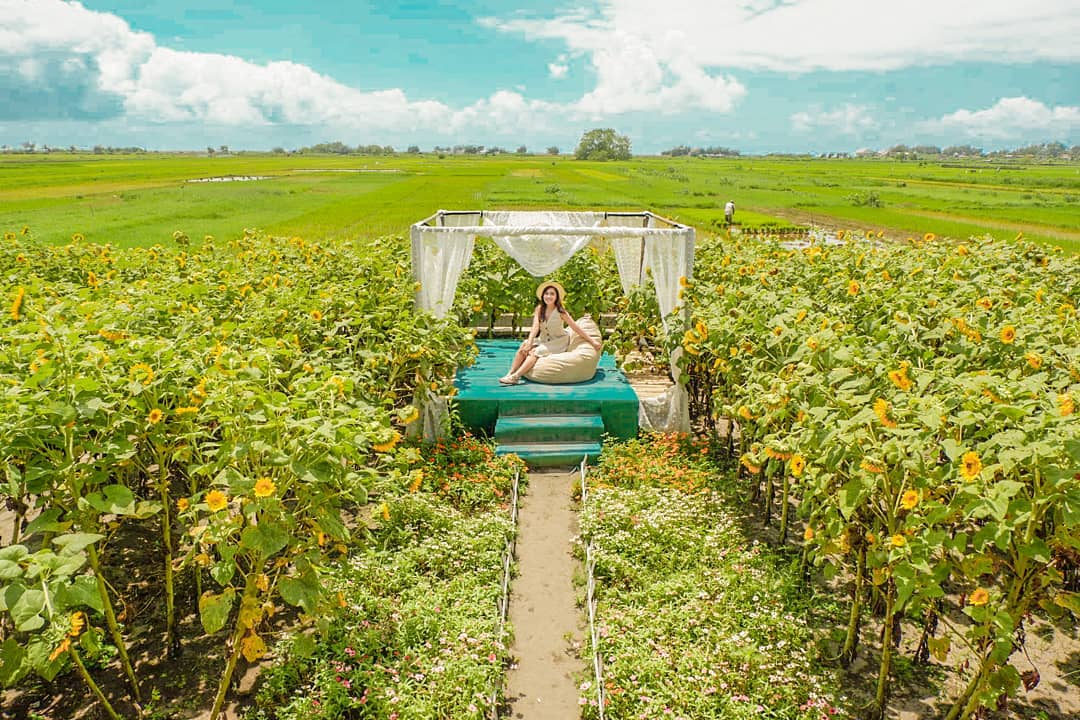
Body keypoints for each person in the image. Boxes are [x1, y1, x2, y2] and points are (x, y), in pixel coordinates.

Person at [499, 281, 602, 385]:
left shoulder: (561, 311)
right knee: (524, 348)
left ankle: (516, 377)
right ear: (543, 295)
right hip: (544, 340)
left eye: (552, 294)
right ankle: (510, 373)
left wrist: (593, 341)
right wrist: (530, 342)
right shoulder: (539, 309)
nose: (548, 296)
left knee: (534, 353)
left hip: (559, 341)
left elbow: (575, 328)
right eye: (546, 293)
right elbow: (535, 327)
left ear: (556, 297)